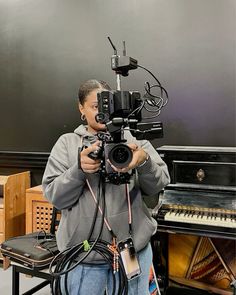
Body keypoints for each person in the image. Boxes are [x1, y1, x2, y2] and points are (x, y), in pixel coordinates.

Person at [42, 79, 170, 295]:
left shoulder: (134, 141)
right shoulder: (67, 144)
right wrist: (78, 170)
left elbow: (158, 184)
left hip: (133, 253)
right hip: (83, 258)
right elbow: (56, 197)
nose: (102, 113)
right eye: (95, 107)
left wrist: (144, 161)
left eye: (107, 106)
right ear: (81, 108)